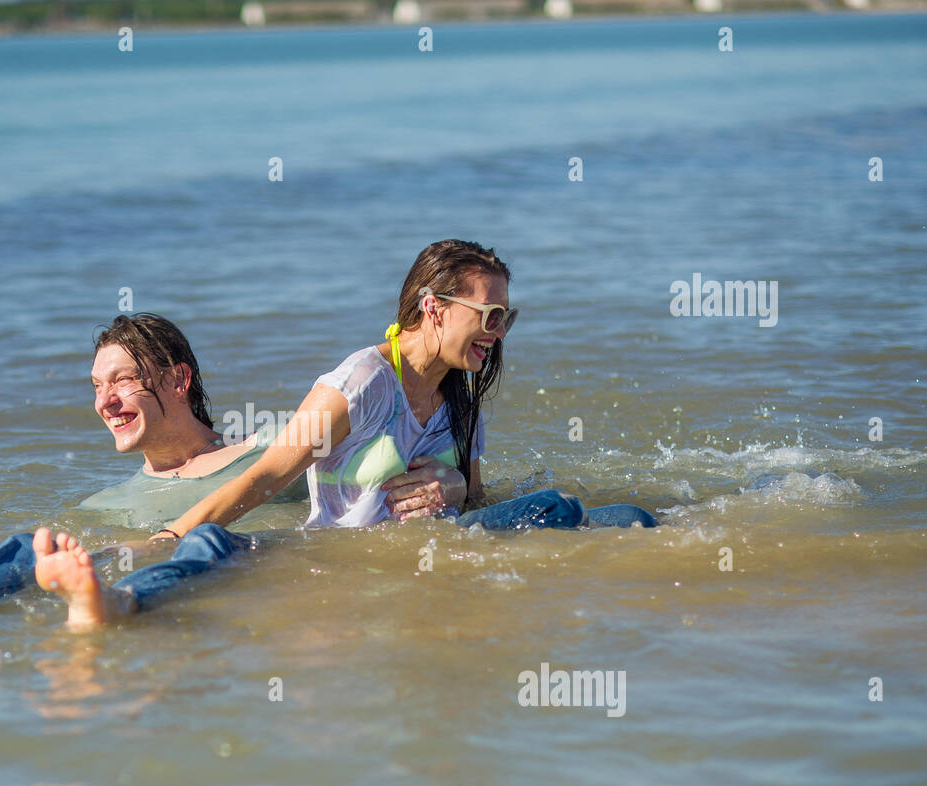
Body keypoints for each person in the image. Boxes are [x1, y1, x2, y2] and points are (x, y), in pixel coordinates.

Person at [33, 239, 659, 629]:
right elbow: (266, 474)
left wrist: (452, 492)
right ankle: (114, 603)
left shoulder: (462, 400)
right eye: (489, 315)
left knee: (628, 515)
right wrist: (166, 535)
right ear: (433, 309)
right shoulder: (361, 382)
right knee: (214, 550)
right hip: (335, 556)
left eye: (506, 315)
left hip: (431, 558)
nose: (499, 329)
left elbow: (478, 499)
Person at [0, 313, 303, 618]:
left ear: (178, 379)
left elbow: (357, 430)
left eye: (123, 380)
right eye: (96, 386)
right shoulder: (106, 503)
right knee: (30, 547)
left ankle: (114, 603)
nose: (106, 402)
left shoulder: (267, 449)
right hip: (138, 571)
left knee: (207, 538)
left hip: (238, 555)